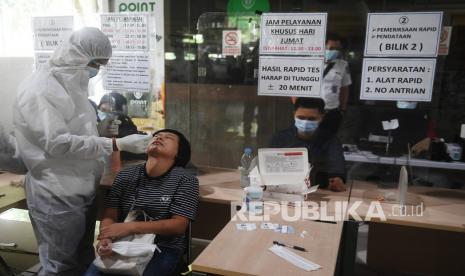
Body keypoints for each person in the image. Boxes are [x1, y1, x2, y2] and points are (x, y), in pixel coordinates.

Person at [13, 27, 151, 276]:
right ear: (77, 55)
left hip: (81, 187)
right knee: (60, 267)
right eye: (96, 63)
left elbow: (74, 130)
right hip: (56, 191)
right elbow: (57, 143)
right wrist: (116, 145)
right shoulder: (40, 90)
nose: (97, 70)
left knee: (83, 258)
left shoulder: (73, 83)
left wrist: (99, 129)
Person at [85, 129, 199, 276]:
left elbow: (178, 225)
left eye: (168, 137)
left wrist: (130, 227)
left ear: (179, 153)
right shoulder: (125, 175)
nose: (159, 138)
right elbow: (110, 214)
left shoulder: (186, 180)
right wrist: (105, 238)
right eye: (156, 136)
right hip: (122, 243)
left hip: (163, 247)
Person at [270, 98, 346, 192]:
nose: (305, 122)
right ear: (294, 115)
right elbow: (268, 169)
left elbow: (337, 170)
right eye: (301, 118)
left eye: (311, 119)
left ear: (322, 117)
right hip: (283, 191)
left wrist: (338, 181)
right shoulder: (280, 138)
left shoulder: (331, 141)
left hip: (320, 192)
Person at [322, 33, 352, 114]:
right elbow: (297, 87)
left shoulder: (343, 65)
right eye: (331, 48)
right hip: (311, 111)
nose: (334, 51)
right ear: (323, 47)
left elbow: (344, 88)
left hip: (332, 110)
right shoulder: (309, 63)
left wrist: (343, 109)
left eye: (337, 49)